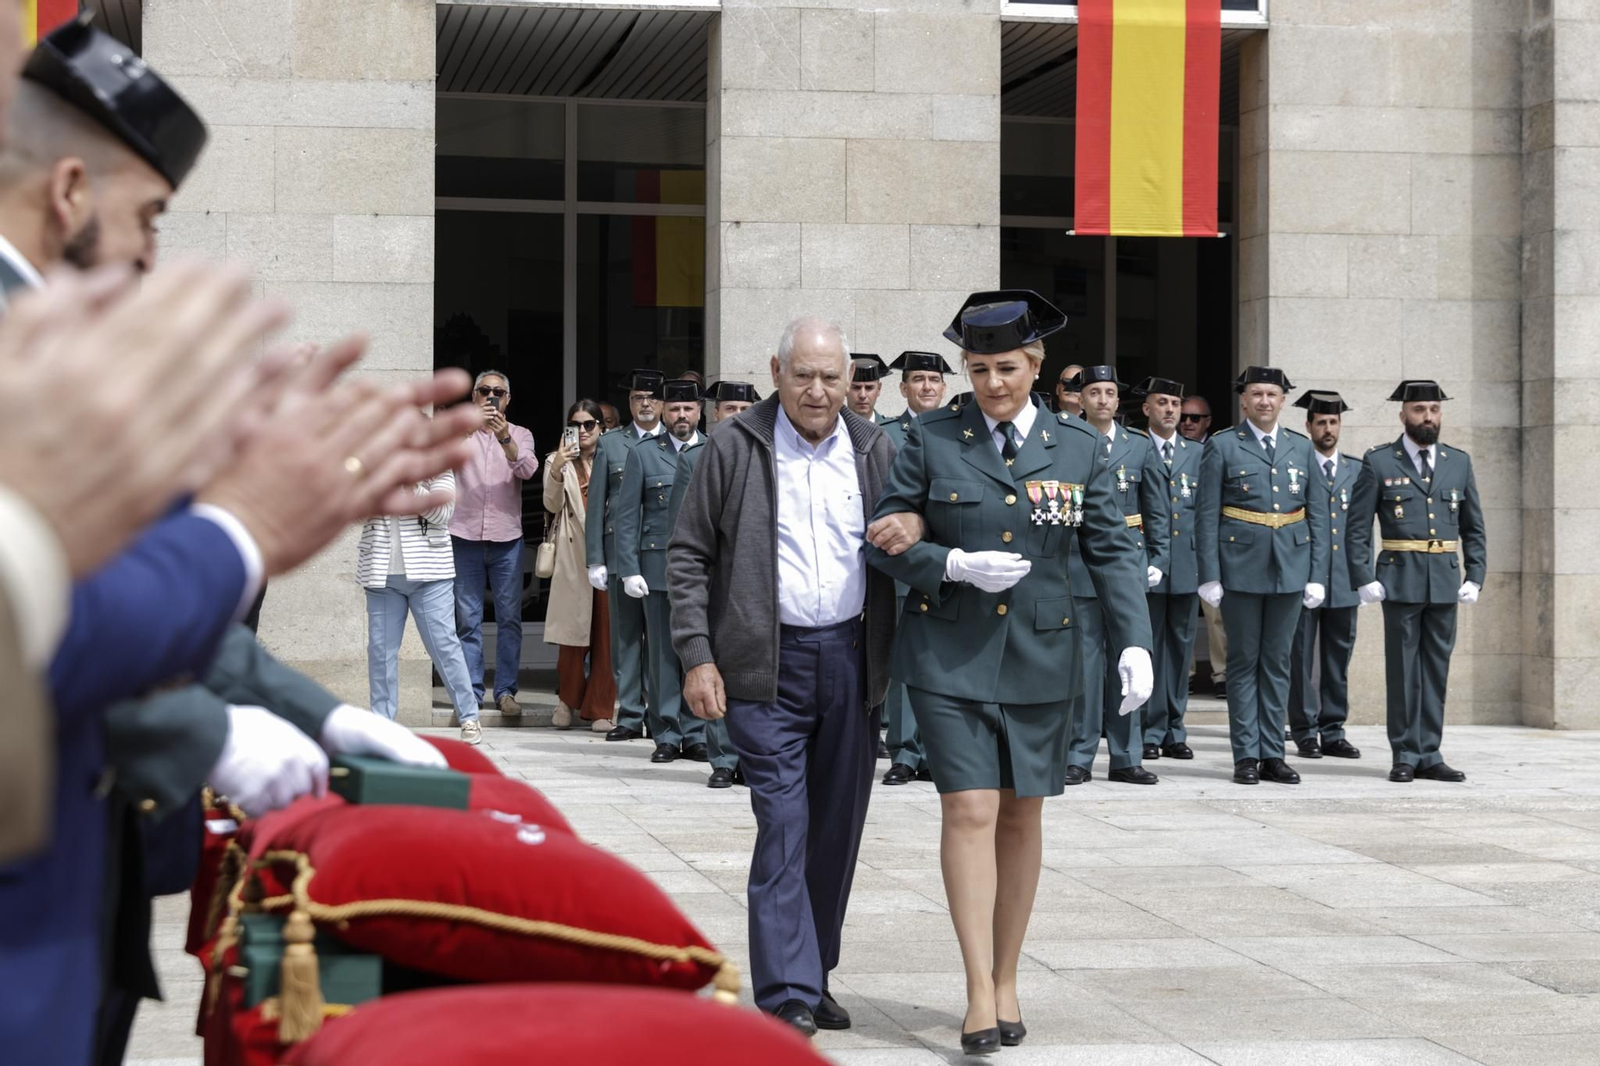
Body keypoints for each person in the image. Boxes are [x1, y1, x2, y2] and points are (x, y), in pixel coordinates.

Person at [865, 291, 1152, 1055]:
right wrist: (949, 562)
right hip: (947, 654)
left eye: (1008, 368)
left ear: (1037, 365)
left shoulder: (1081, 447)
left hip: (1043, 652)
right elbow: (881, 541)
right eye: (979, 368)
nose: (993, 383)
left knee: (1023, 814)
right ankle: (976, 990)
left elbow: (1114, 552)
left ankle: (1010, 975)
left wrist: (1136, 641)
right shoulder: (929, 438)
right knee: (968, 811)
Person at [669, 317, 897, 1038]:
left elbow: (905, 539)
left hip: (852, 663)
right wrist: (697, 654)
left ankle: (814, 971)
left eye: (833, 377)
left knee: (836, 830)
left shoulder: (873, 447)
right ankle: (785, 988)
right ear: (776, 371)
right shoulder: (734, 447)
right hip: (766, 668)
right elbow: (687, 556)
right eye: (804, 375)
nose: (819, 390)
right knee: (785, 824)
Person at [1346, 380, 1485, 783]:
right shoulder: (1379, 462)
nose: (1428, 418)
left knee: (1435, 670)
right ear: (1403, 414)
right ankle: (1405, 752)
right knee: (1404, 670)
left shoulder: (1458, 462)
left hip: (1444, 578)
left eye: (1434, 410)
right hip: (1400, 578)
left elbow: (1473, 526)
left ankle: (1430, 752)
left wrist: (1475, 574)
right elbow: (1357, 528)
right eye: (1420, 410)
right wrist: (1362, 577)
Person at [1195, 367, 1327, 786]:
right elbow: (1206, 514)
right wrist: (1209, 575)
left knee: (1278, 663)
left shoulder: (1300, 447)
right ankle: (1246, 754)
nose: (1265, 401)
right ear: (1244, 401)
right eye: (1257, 394)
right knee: (1242, 662)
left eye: (1272, 394)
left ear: (1283, 400)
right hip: (1240, 568)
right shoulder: (1223, 446)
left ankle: (1273, 753)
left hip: (1291, 566)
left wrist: (1317, 574)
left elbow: (1319, 515)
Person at [1064, 366, 1166, 786]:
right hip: (1079, 564)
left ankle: (1127, 755)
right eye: (1094, 392)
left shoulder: (1139, 447)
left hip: (1127, 562)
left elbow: (1157, 506)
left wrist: (1158, 556)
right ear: (1081, 399)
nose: (1103, 399)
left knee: (1130, 660)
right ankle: (1079, 753)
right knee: (1085, 666)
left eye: (1109, 393)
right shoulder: (1069, 440)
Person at [667, 380, 759, 788]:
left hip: (753, 579)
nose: (736, 416)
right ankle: (723, 757)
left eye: (744, 408)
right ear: (714, 414)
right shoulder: (695, 458)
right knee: (714, 663)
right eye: (729, 409)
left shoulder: (762, 455)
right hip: (713, 577)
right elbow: (682, 530)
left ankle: (752, 756)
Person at [616, 379, 709, 763]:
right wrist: (629, 568)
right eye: (674, 409)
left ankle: (698, 732)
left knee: (698, 651)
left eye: (688, 409)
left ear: (700, 412)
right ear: (663, 412)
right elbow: (626, 516)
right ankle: (667, 732)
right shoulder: (644, 454)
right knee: (662, 656)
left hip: (703, 571)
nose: (681, 416)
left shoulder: (712, 450)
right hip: (657, 568)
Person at [358, 470, 484, 742]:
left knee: (444, 646)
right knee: (381, 652)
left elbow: (442, 514)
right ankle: (382, 724)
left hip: (430, 573)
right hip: (381, 573)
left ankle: (468, 717)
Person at [879, 350, 952, 786]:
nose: (927, 386)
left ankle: (939, 751)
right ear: (903, 387)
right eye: (918, 379)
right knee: (906, 662)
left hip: (951, 567)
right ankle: (905, 752)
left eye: (934, 380)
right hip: (904, 566)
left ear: (945, 388)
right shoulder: (886, 435)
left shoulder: (962, 433)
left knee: (945, 664)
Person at [451, 369, 538, 716]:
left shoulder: (521, 433)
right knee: (467, 620)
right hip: (464, 536)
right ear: (473, 397)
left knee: (509, 619)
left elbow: (528, 470)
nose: (491, 396)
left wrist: (505, 440)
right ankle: (471, 693)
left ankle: (505, 693)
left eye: (498, 392)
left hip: (507, 539)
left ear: (508, 399)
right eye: (484, 390)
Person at [1287, 390, 1363, 761]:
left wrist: (1364, 576)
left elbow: (1363, 529)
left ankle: (1333, 730)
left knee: (1337, 658)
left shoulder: (1357, 469)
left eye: (1333, 422)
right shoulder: (1297, 465)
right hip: (1303, 576)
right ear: (1309, 426)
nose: (1328, 429)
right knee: (1300, 657)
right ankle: (1304, 731)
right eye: (1321, 422)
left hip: (1345, 578)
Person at [588, 369, 664, 742]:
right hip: (620, 552)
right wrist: (595, 558)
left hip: (659, 554)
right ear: (629, 403)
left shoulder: (675, 443)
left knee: (664, 642)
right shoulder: (611, 443)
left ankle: (664, 712)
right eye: (637, 398)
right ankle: (631, 714)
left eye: (651, 397)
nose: (645, 404)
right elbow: (597, 502)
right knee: (627, 639)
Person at [543, 399, 616, 732]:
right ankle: (566, 701)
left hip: (607, 554)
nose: (584, 431)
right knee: (572, 638)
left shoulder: (614, 459)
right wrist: (559, 465)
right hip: (573, 557)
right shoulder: (556, 462)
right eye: (577, 425)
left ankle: (601, 707)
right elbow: (551, 503)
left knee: (607, 636)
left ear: (602, 427)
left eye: (590, 424)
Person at [1139, 377, 1201, 761]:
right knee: (1147, 647)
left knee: (1180, 651)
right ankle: (1148, 727)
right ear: (1146, 409)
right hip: (1146, 562)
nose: (1169, 410)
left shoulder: (1196, 453)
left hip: (1186, 563)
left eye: (1175, 404)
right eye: (1161, 403)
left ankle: (1175, 728)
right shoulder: (1134, 446)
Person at [1180, 393, 1225, 697]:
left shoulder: (1220, 448)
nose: (1187, 423)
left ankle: (1222, 674)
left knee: (1216, 614)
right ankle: (1186, 674)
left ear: (1207, 421)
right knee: (1182, 613)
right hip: (1181, 542)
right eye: (1184, 417)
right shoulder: (1173, 449)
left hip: (1211, 544)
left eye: (1194, 418)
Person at [847, 352, 888, 421]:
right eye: (856, 387)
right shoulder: (829, 430)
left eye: (869, 388)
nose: (862, 395)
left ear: (879, 389)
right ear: (846, 388)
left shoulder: (893, 430)